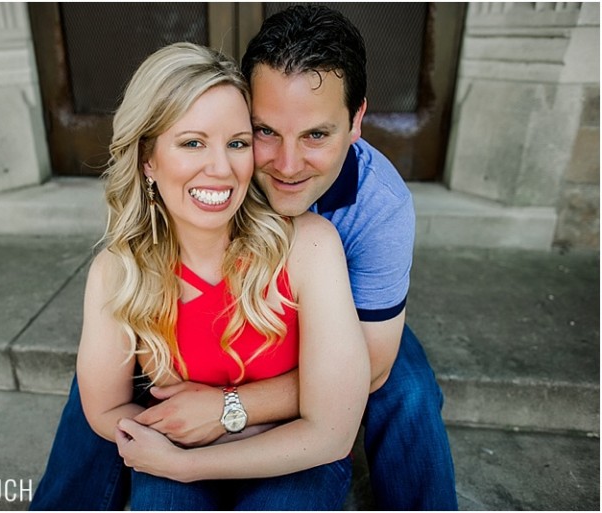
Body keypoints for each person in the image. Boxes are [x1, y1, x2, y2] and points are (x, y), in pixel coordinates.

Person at [31, 5, 458, 510]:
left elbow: (366, 372)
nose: (286, 164)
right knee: (107, 366)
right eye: (262, 133)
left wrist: (227, 410)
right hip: (201, 325)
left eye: (317, 135)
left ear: (356, 121)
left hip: (345, 332)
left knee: (407, 390)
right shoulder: (213, 179)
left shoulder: (371, 208)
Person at [69, 41, 370, 510]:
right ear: (148, 158)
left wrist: (196, 458)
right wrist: (163, 445)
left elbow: (331, 433)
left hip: (295, 455)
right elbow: (105, 408)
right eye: (192, 143)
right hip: (177, 447)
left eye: (237, 143)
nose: (221, 168)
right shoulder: (118, 271)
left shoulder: (308, 247)